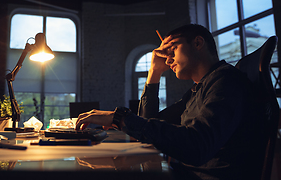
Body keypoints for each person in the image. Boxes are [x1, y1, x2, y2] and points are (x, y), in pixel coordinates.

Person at [75, 24, 266, 180]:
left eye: (172, 50)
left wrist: (120, 117)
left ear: (198, 43)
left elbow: (197, 147)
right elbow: (147, 126)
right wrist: (153, 73)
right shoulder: (198, 90)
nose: (168, 60)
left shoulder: (226, 81)